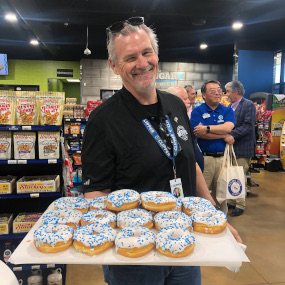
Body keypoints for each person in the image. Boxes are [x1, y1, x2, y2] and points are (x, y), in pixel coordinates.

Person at [82, 18, 241, 285]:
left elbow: (191, 165)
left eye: (146, 53)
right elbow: (97, 192)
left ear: (156, 56)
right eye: (130, 57)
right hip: (135, 258)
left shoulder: (176, 106)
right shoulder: (102, 121)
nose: (142, 63)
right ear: (113, 65)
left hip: (183, 243)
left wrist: (215, 218)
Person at [190, 80, 236, 206]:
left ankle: (222, 222)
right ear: (204, 95)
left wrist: (207, 128)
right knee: (201, 196)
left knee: (222, 196)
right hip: (205, 159)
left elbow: (228, 127)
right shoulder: (197, 112)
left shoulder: (227, 111)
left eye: (219, 90)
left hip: (224, 159)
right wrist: (224, 135)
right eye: (212, 91)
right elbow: (199, 134)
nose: (217, 93)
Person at [224, 80, 256, 216]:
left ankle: (240, 204)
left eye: (228, 91)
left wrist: (228, 134)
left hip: (243, 148)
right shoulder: (231, 106)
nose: (226, 94)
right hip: (231, 148)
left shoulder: (248, 105)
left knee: (239, 177)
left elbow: (248, 126)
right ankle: (231, 201)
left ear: (236, 92)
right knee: (231, 175)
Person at [166, 86, 204, 172]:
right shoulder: (166, 124)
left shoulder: (183, 118)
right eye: (185, 99)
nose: (189, 101)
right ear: (173, 100)